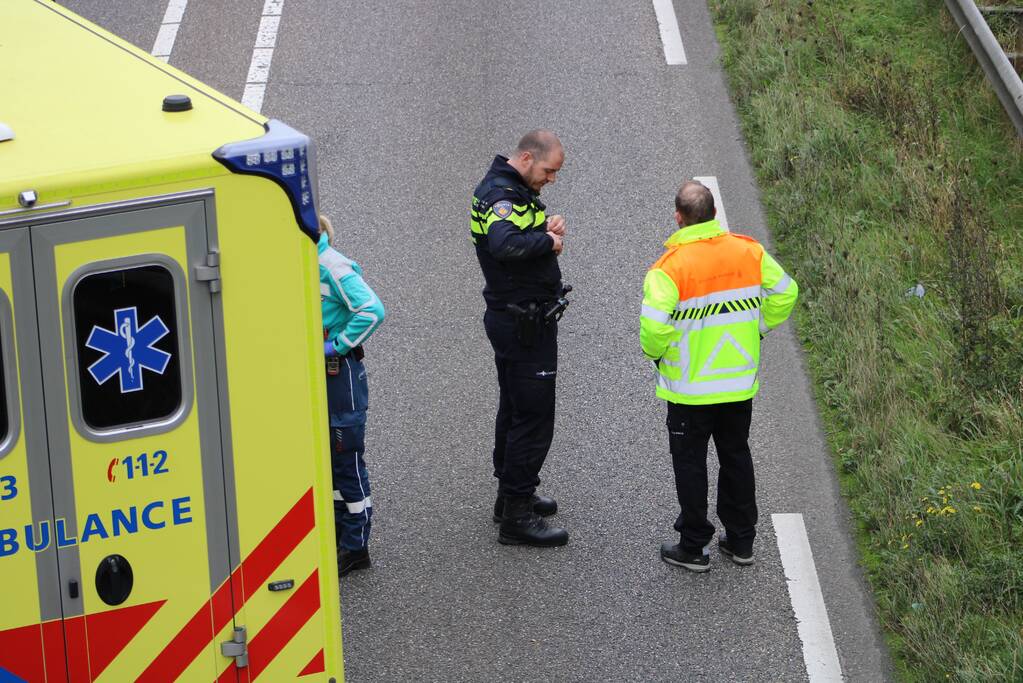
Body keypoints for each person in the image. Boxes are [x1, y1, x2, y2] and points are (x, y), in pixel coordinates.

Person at [640, 181, 798, 572]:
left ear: (679, 217)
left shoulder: (668, 269)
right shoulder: (750, 252)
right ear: (714, 214)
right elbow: (786, 292)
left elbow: (653, 330)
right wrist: (757, 328)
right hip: (737, 384)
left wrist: (658, 356)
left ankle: (694, 546)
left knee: (691, 465)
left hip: (691, 391)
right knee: (736, 456)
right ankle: (741, 540)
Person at [469, 130, 570, 547]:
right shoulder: (500, 196)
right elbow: (505, 244)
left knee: (514, 408)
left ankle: (512, 493)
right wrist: (548, 240)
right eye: (548, 171)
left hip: (519, 320)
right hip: (522, 324)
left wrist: (544, 225)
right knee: (532, 417)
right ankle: (517, 516)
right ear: (527, 158)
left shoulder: (511, 191)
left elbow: (515, 232)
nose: (551, 179)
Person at [318, 215, 386, 576]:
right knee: (325, 460)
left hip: (339, 377)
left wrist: (336, 346)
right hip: (317, 377)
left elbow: (372, 310)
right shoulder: (298, 262)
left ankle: (357, 546)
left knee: (345, 458)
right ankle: (338, 534)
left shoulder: (331, 266)